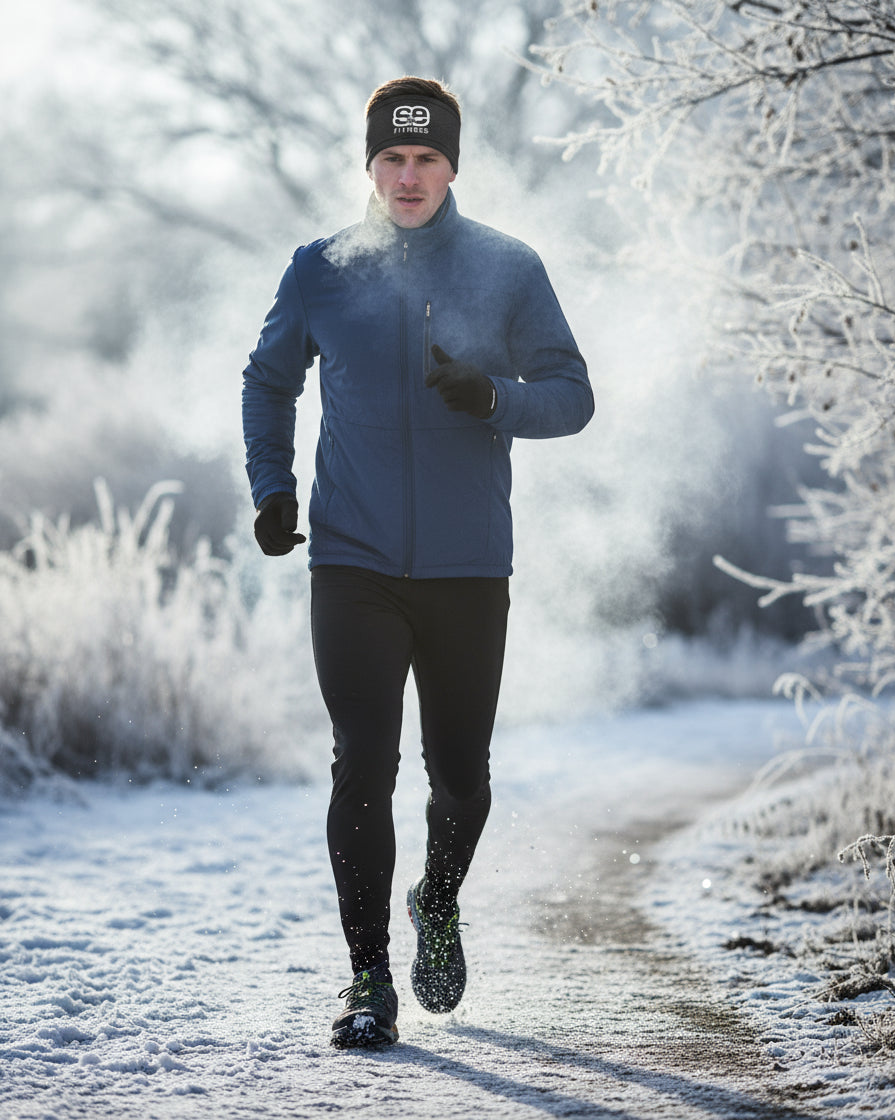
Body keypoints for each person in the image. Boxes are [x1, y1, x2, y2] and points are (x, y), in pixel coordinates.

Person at [241, 75, 593, 1049]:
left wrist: (493, 398)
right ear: (369, 163)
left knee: (462, 779)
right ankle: (366, 980)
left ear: (451, 165)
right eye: (390, 158)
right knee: (362, 764)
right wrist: (272, 489)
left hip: (468, 567)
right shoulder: (322, 268)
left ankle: (434, 899)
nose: (407, 176)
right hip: (350, 561)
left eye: (425, 157)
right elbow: (268, 380)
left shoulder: (506, 268)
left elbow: (572, 393)